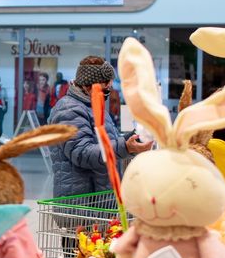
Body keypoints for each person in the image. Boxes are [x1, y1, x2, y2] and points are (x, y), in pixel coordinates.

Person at [48, 56, 153, 197]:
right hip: (80, 205)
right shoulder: (68, 110)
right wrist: (125, 147)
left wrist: (136, 136)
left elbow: (108, 143)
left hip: (100, 200)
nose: (107, 94)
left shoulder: (95, 107)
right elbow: (82, 153)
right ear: (87, 86)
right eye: (105, 89)